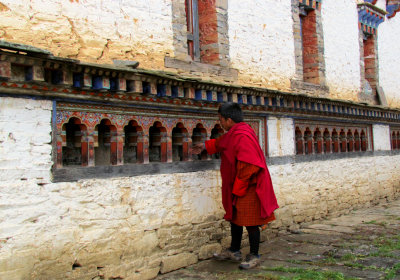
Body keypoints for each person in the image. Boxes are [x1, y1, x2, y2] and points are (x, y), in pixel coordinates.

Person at [192, 102, 279, 269]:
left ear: (229, 120)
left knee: (251, 221)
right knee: (235, 218)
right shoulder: (236, 132)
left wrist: (238, 187)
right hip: (239, 183)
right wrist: (205, 146)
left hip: (249, 185)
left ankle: (254, 255)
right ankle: (234, 250)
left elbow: (251, 165)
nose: (220, 124)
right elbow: (222, 142)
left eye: (221, 120)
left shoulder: (242, 135)